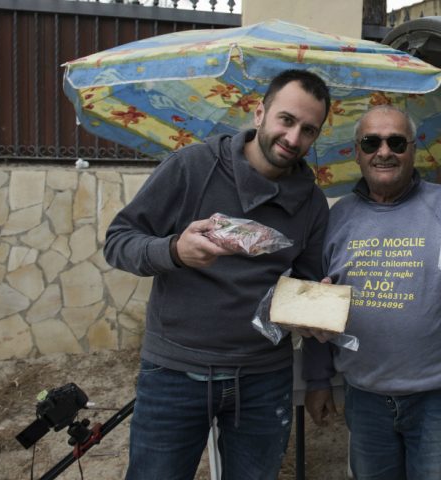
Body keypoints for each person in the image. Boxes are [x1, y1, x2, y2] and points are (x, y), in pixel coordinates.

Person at [103, 69, 331, 480]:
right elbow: (118, 241)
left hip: (265, 379)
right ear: (259, 113)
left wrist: (316, 314)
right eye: (286, 120)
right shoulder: (192, 167)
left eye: (309, 130)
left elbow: (308, 286)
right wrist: (174, 250)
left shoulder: (313, 203)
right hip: (175, 372)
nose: (294, 139)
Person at [302, 105, 441, 480]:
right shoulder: (338, 217)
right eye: (371, 142)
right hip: (365, 396)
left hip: (438, 399)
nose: (384, 151)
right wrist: (317, 380)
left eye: (396, 142)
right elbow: (319, 306)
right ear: (356, 152)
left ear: (413, 149)